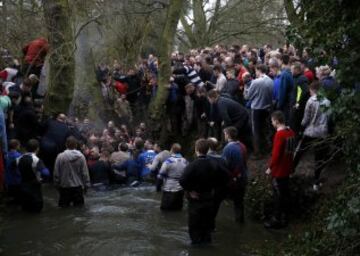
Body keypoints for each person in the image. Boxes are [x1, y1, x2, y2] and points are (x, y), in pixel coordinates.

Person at [180, 139, 229, 245]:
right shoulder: (214, 163)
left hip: (196, 199)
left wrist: (190, 190)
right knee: (207, 223)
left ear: (196, 149)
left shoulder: (193, 165)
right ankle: (206, 244)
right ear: (207, 150)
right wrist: (215, 187)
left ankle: (197, 246)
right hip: (209, 197)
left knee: (194, 225)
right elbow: (226, 176)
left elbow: (182, 180)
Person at [293, 81, 331, 191]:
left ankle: (291, 171)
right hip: (322, 132)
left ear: (313, 90)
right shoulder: (327, 102)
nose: (309, 93)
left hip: (310, 131)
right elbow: (329, 118)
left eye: (310, 91)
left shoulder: (311, 101)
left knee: (300, 151)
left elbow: (306, 118)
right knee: (319, 157)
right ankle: (316, 182)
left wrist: (301, 128)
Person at [264, 111, 295, 229]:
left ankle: (276, 220)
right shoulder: (291, 132)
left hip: (279, 170)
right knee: (285, 194)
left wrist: (270, 167)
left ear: (276, 121)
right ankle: (285, 218)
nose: (272, 123)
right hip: (288, 168)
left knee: (278, 196)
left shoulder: (280, 135)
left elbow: (276, 155)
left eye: (272, 121)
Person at [244, 64, 274, 157]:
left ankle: (258, 153)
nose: (255, 72)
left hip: (256, 109)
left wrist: (245, 88)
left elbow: (247, 97)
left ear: (259, 70)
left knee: (256, 131)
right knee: (264, 128)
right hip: (267, 108)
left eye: (256, 70)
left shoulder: (256, 82)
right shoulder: (270, 80)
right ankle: (266, 148)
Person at [53, 136, 90, 208]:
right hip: (78, 188)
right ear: (76, 145)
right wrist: (87, 186)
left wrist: (57, 185)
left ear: (66, 144)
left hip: (64, 188)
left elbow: (56, 173)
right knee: (80, 211)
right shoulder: (81, 157)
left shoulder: (60, 157)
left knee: (63, 211)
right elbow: (85, 173)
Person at [222, 127, 248, 223]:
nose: (224, 136)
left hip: (233, 180)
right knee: (239, 203)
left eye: (225, 134)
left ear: (228, 135)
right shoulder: (242, 145)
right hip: (243, 178)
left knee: (218, 198)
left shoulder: (228, 148)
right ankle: (240, 222)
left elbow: (225, 166)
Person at [17, 139, 49, 212]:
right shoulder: (36, 160)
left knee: (25, 211)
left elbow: (11, 168)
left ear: (26, 148)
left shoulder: (19, 159)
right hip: (34, 189)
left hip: (23, 189)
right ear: (37, 148)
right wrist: (42, 180)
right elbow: (46, 173)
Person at [157, 143, 188, 210]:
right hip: (180, 190)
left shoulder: (168, 161)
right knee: (178, 210)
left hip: (169, 190)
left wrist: (158, 188)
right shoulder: (185, 161)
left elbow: (160, 176)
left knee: (165, 211)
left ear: (172, 150)